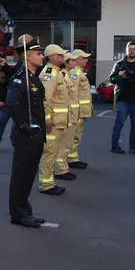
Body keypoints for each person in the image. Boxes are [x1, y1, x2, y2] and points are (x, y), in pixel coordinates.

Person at [6, 38, 48, 228]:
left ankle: (25, 210)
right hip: (25, 136)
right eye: (39, 54)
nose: (42, 57)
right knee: (21, 176)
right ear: (28, 57)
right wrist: (24, 126)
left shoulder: (33, 76)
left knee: (29, 175)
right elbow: (12, 104)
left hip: (36, 135)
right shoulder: (19, 78)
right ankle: (18, 213)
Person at [38, 45, 70, 196]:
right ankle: (46, 184)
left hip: (58, 121)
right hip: (53, 122)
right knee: (49, 152)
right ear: (51, 57)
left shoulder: (57, 72)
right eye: (60, 55)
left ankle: (49, 182)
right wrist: (47, 119)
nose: (63, 57)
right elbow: (46, 99)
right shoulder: (49, 74)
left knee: (53, 151)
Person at [0, 34, 33, 147]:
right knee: (1, 123)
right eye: (18, 44)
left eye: (21, 44)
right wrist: (4, 66)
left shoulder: (32, 61)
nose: (18, 47)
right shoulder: (22, 60)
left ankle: (18, 143)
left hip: (22, 98)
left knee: (19, 123)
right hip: (12, 97)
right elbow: (14, 75)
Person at [56, 52, 81, 181]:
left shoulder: (66, 76)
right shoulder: (62, 75)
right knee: (63, 144)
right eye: (72, 61)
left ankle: (63, 167)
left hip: (71, 115)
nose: (75, 63)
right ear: (65, 63)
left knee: (67, 143)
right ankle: (60, 169)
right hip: (66, 116)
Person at [67, 49, 93, 169]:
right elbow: (72, 93)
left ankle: (73, 156)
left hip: (81, 110)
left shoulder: (79, 72)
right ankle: (71, 158)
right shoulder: (75, 73)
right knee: (74, 134)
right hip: (77, 111)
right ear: (77, 60)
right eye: (84, 58)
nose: (86, 60)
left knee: (77, 134)